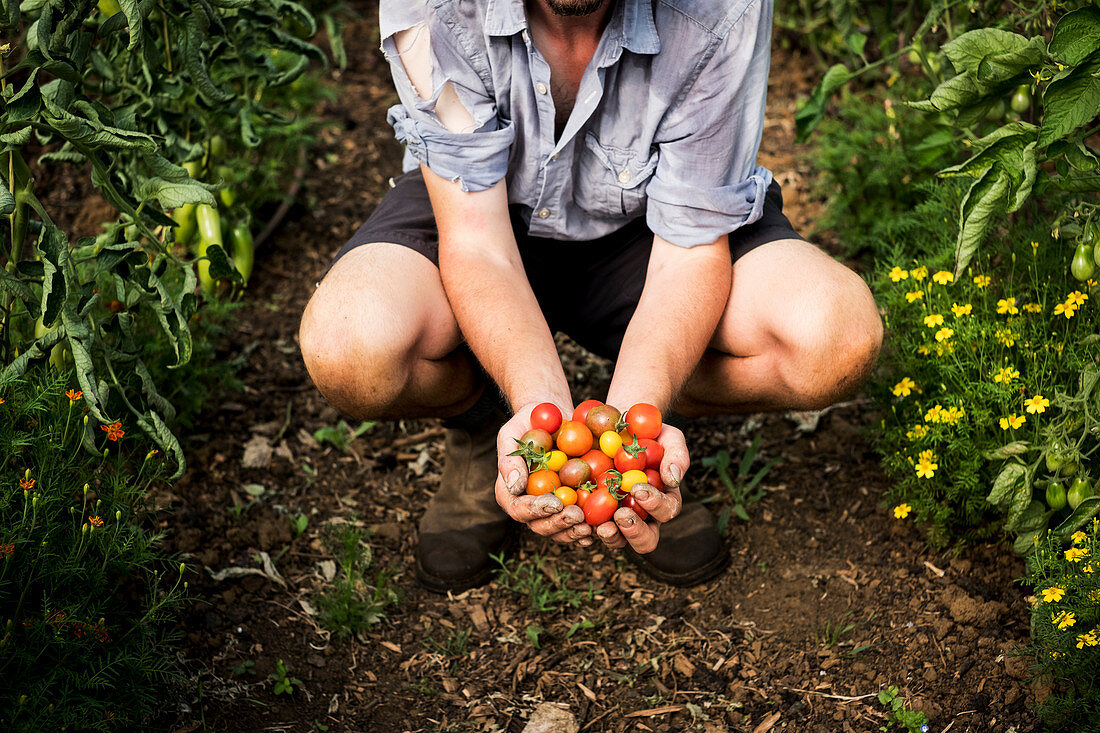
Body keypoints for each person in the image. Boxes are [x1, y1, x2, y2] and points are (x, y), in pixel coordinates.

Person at [299, 0, 882, 593]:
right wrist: (536, 417)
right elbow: (476, 240)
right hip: (478, 214)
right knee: (349, 346)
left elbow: (689, 251)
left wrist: (632, 442)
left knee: (834, 337)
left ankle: (665, 429)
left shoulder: (721, 7)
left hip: (655, 229)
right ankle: (481, 421)